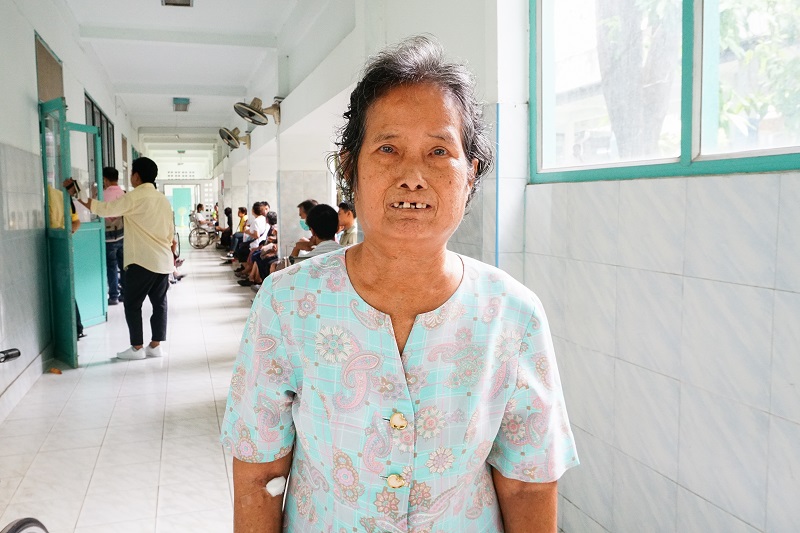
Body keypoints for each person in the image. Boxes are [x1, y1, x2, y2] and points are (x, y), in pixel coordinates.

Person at [220, 36, 578, 533]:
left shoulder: (511, 314)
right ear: (351, 168)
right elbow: (260, 473)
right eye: (388, 148)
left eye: (439, 151)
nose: (413, 176)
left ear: (470, 173)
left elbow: (526, 481)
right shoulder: (287, 304)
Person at [68, 156, 174, 360]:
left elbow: (103, 209)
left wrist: (77, 193)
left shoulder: (134, 197)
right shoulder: (162, 200)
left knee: (133, 304)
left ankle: (136, 348)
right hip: (162, 261)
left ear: (136, 176)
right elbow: (170, 231)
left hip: (142, 261)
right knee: (160, 304)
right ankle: (155, 345)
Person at [101, 167, 125, 305]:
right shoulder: (124, 194)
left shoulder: (102, 195)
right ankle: (125, 294)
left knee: (111, 266)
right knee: (123, 266)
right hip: (123, 235)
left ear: (105, 179)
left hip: (108, 237)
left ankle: (114, 296)